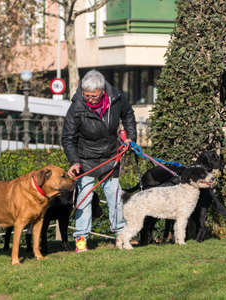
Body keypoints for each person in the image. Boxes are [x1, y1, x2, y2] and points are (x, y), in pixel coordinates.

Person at [62, 69, 137, 253]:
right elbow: (68, 138)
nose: (90, 99)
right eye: (87, 96)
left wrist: (130, 138)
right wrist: (74, 161)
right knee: (84, 199)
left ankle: (121, 235)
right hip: (85, 159)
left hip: (111, 157)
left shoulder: (117, 99)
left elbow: (128, 115)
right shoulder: (77, 107)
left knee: (115, 197)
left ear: (102, 91)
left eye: (94, 96)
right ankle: (81, 239)